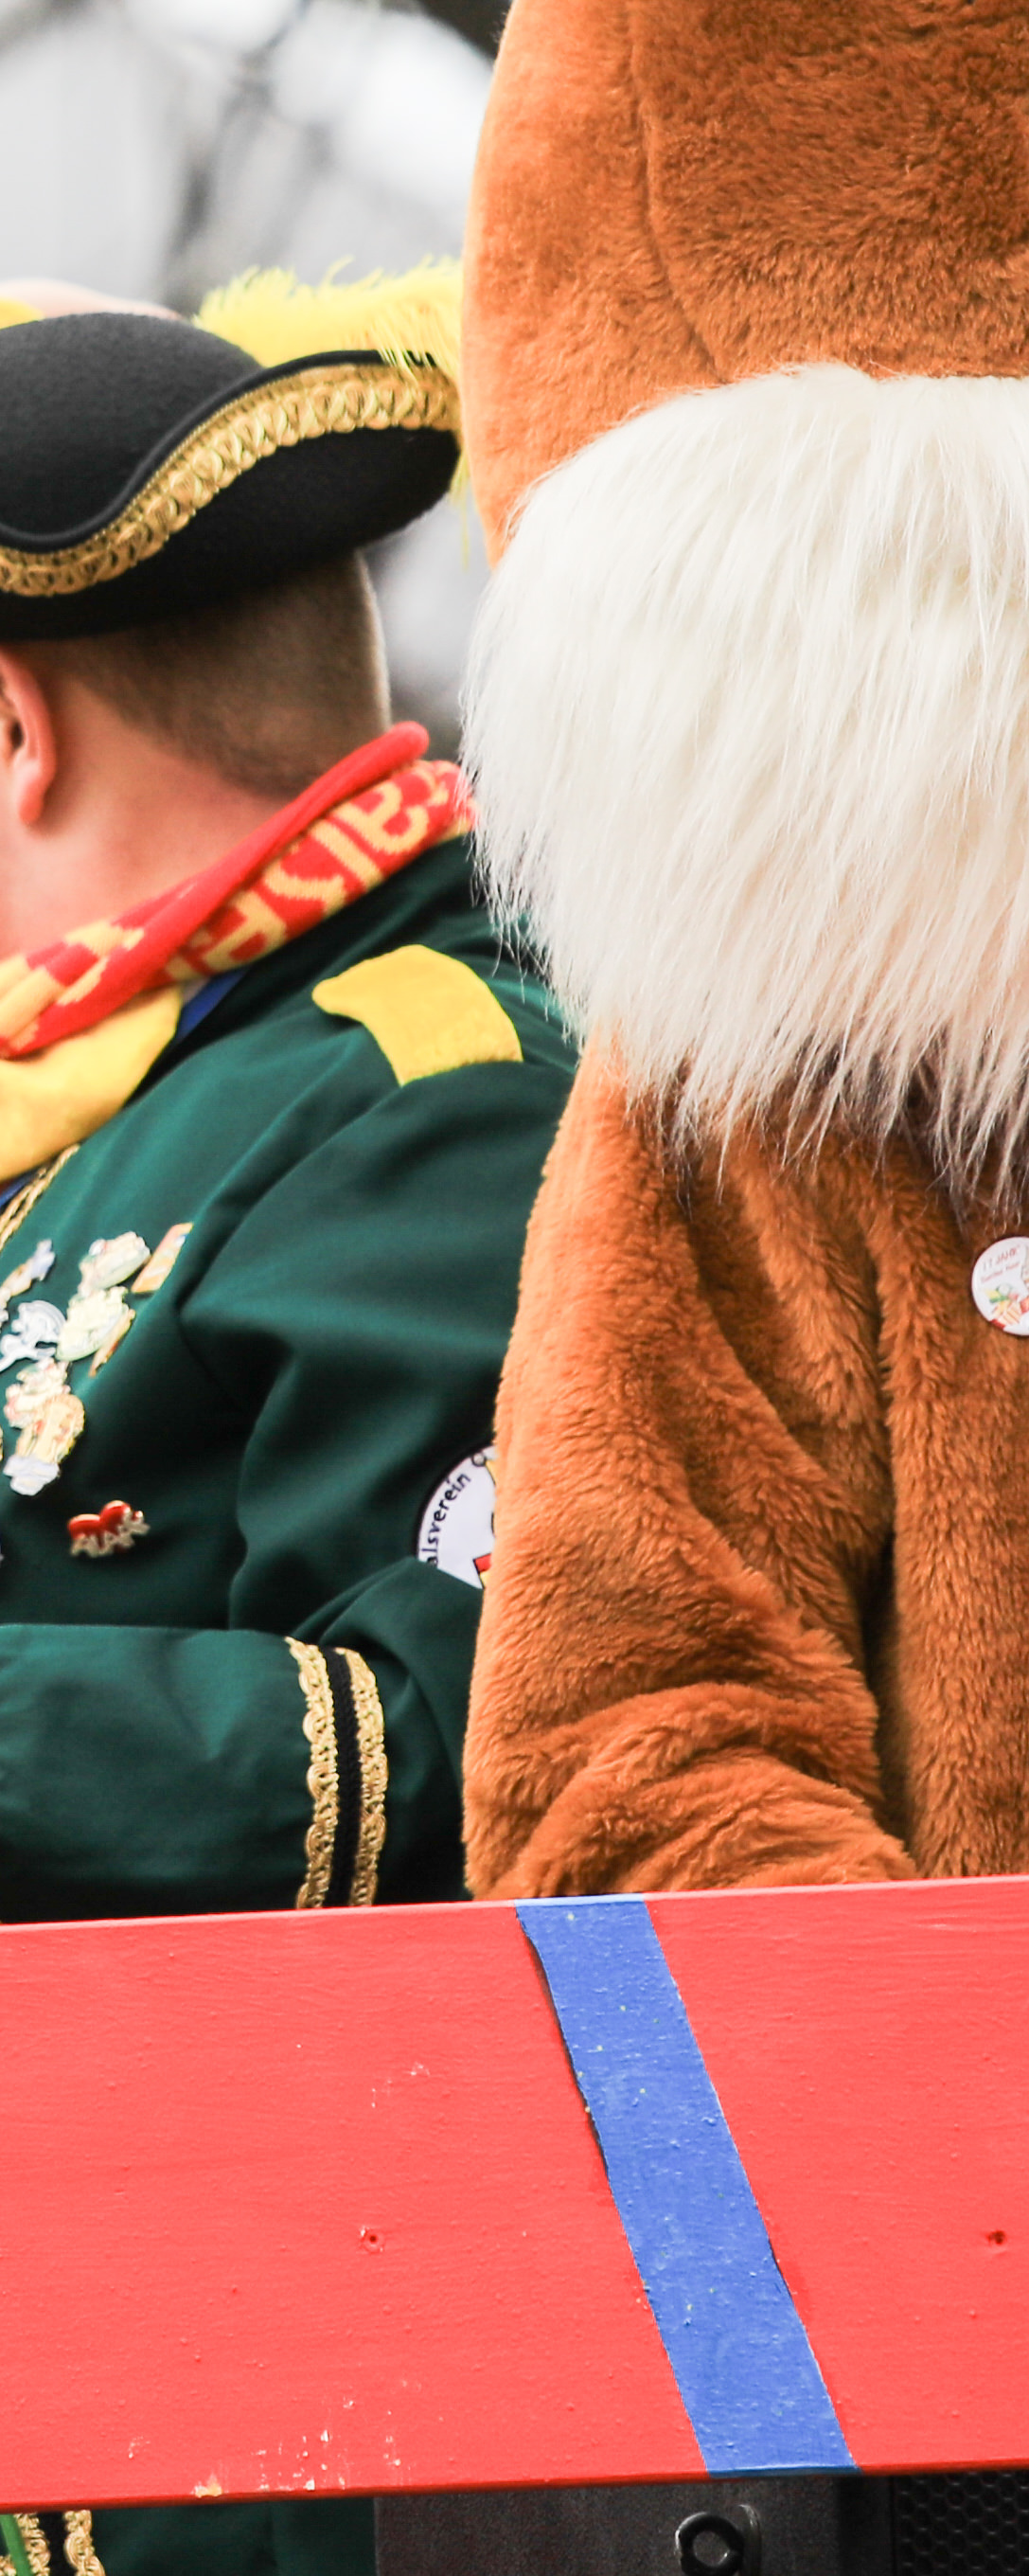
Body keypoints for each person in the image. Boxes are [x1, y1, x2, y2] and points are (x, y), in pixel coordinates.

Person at [0, 277, 577, 2576]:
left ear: (13, 735)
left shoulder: (440, 1089)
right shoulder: (112, 1091)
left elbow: (453, 1747)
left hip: (238, 2437)